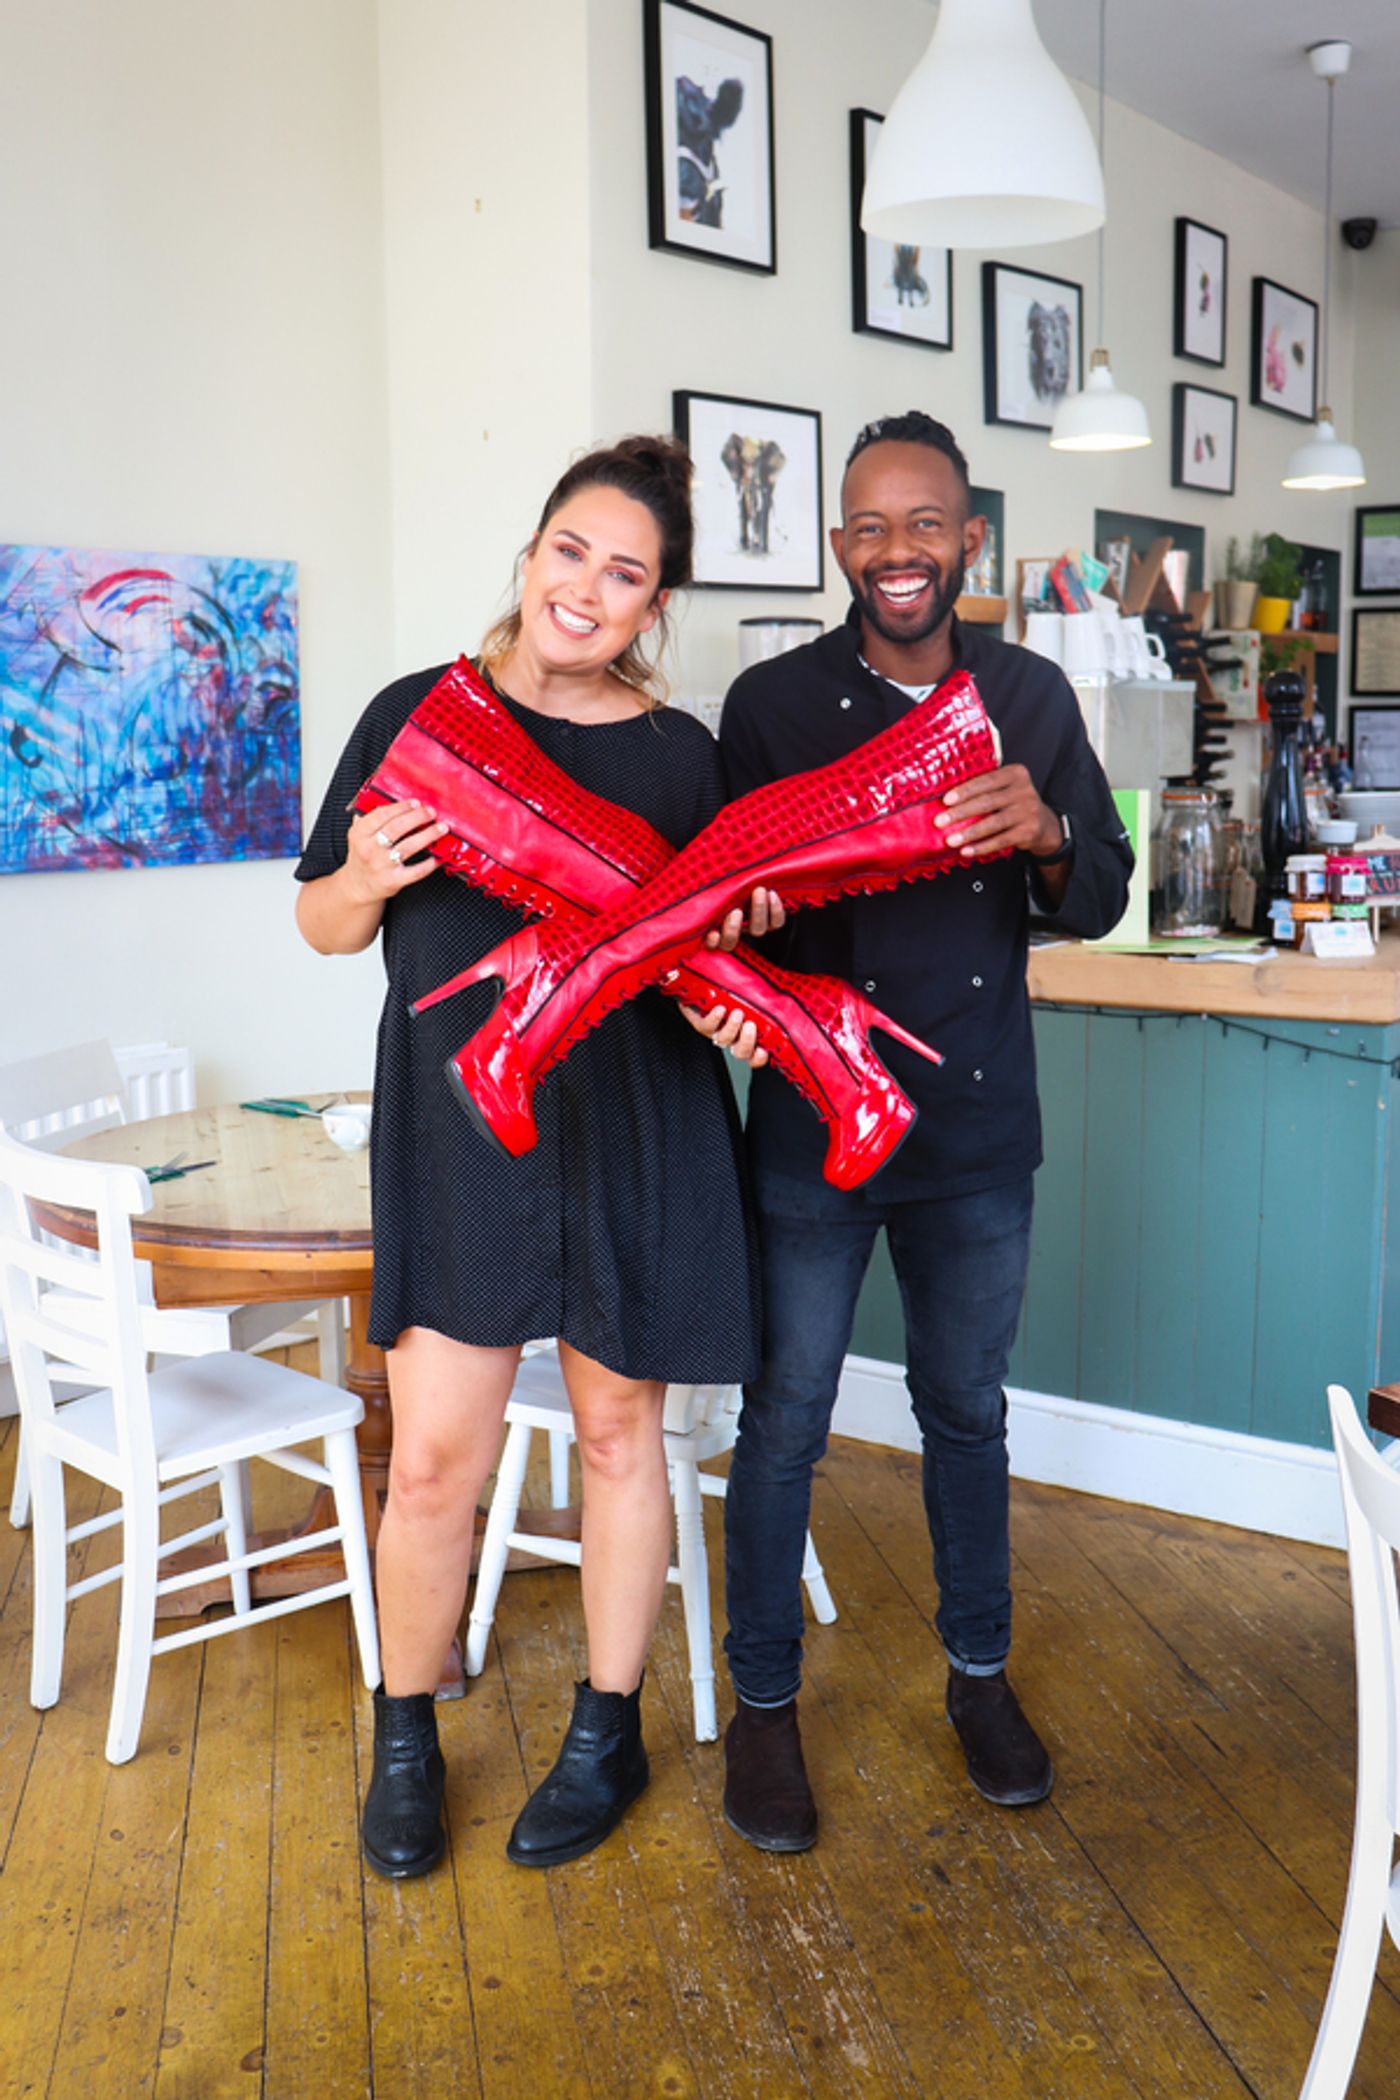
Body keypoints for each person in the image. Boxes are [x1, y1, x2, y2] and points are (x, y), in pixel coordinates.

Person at [294, 436, 772, 1879]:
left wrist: (743, 986)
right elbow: (322, 921)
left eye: (624, 573)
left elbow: (712, 963)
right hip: (462, 1142)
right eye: (571, 550)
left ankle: (607, 1732)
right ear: (530, 553)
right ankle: (403, 1737)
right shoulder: (417, 713)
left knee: (628, 1440)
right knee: (436, 1461)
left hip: (635, 1127)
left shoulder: (679, 757)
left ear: (653, 605)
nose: (586, 587)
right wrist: (366, 877)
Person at [709, 411, 1133, 1853]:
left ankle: (978, 1680)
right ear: (842, 546)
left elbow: (1102, 896)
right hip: (813, 1124)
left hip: (971, 1126)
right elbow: (720, 914)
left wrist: (1054, 836)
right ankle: (763, 1711)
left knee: (968, 1413)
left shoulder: (1030, 695)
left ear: (968, 539)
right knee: (786, 1425)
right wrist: (744, 925)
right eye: (872, 527)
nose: (899, 551)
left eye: (925, 524)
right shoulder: (767, 706)